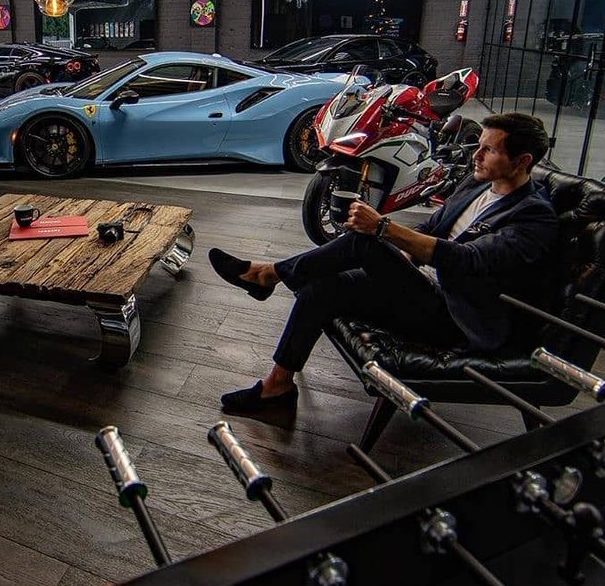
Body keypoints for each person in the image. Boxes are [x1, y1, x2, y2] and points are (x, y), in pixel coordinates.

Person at [209, 112, 556, 418]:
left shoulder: (533, 216)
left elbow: (468, 260)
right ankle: (278, 385)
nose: (476, 155)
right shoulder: (477, 184)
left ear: (522, 160)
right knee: (322, 287)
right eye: (478, 146)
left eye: (489, 150)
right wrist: (396, 260)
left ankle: (266, 274)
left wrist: (384, 229)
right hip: (421, 289)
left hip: (455, 318)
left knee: (363, 241)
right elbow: (431, 227)